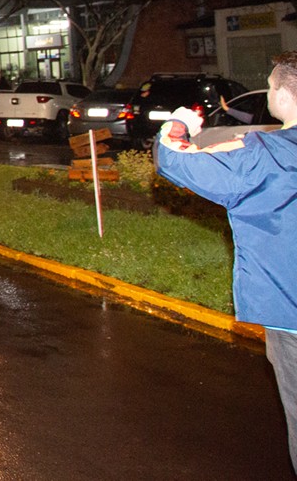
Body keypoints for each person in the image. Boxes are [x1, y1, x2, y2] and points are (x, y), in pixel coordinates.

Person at [155, 51, 297, 472]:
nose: (268, 92)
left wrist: (180, 123)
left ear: (285, 96)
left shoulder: (264, 154)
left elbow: (173, 157)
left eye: (271, 87)